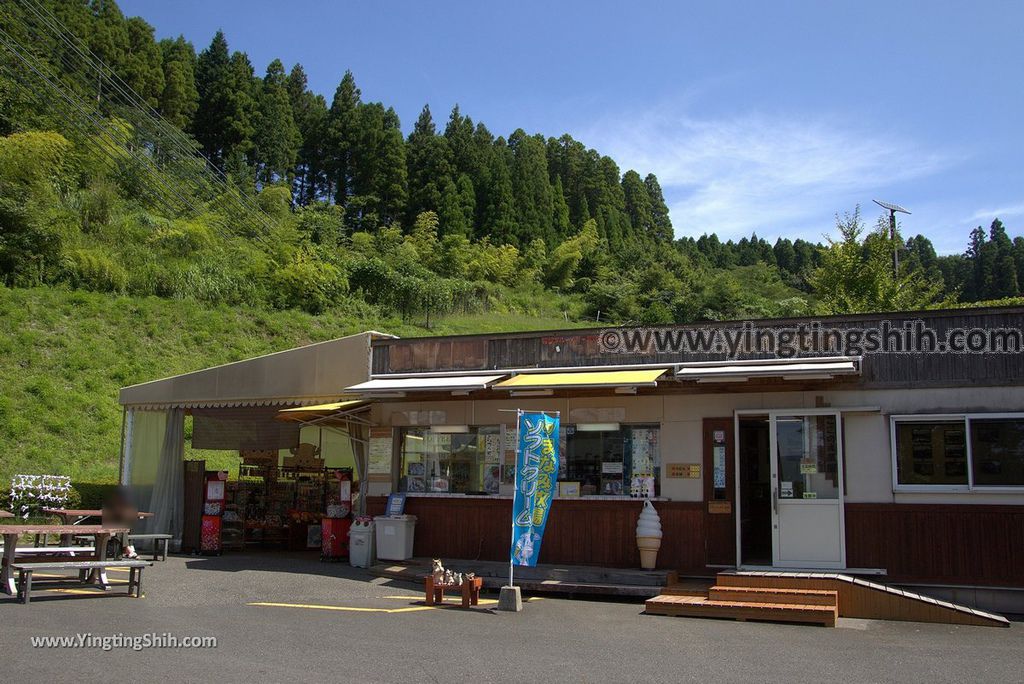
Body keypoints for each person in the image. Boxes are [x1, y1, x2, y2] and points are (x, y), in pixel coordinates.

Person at [101, 487, 139, 559]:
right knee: (122, 529)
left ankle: (127, 548)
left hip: (117, 526)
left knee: (126, 527)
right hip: (108, 525)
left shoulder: (122, 503)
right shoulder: (110, 503)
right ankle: (128, 548)